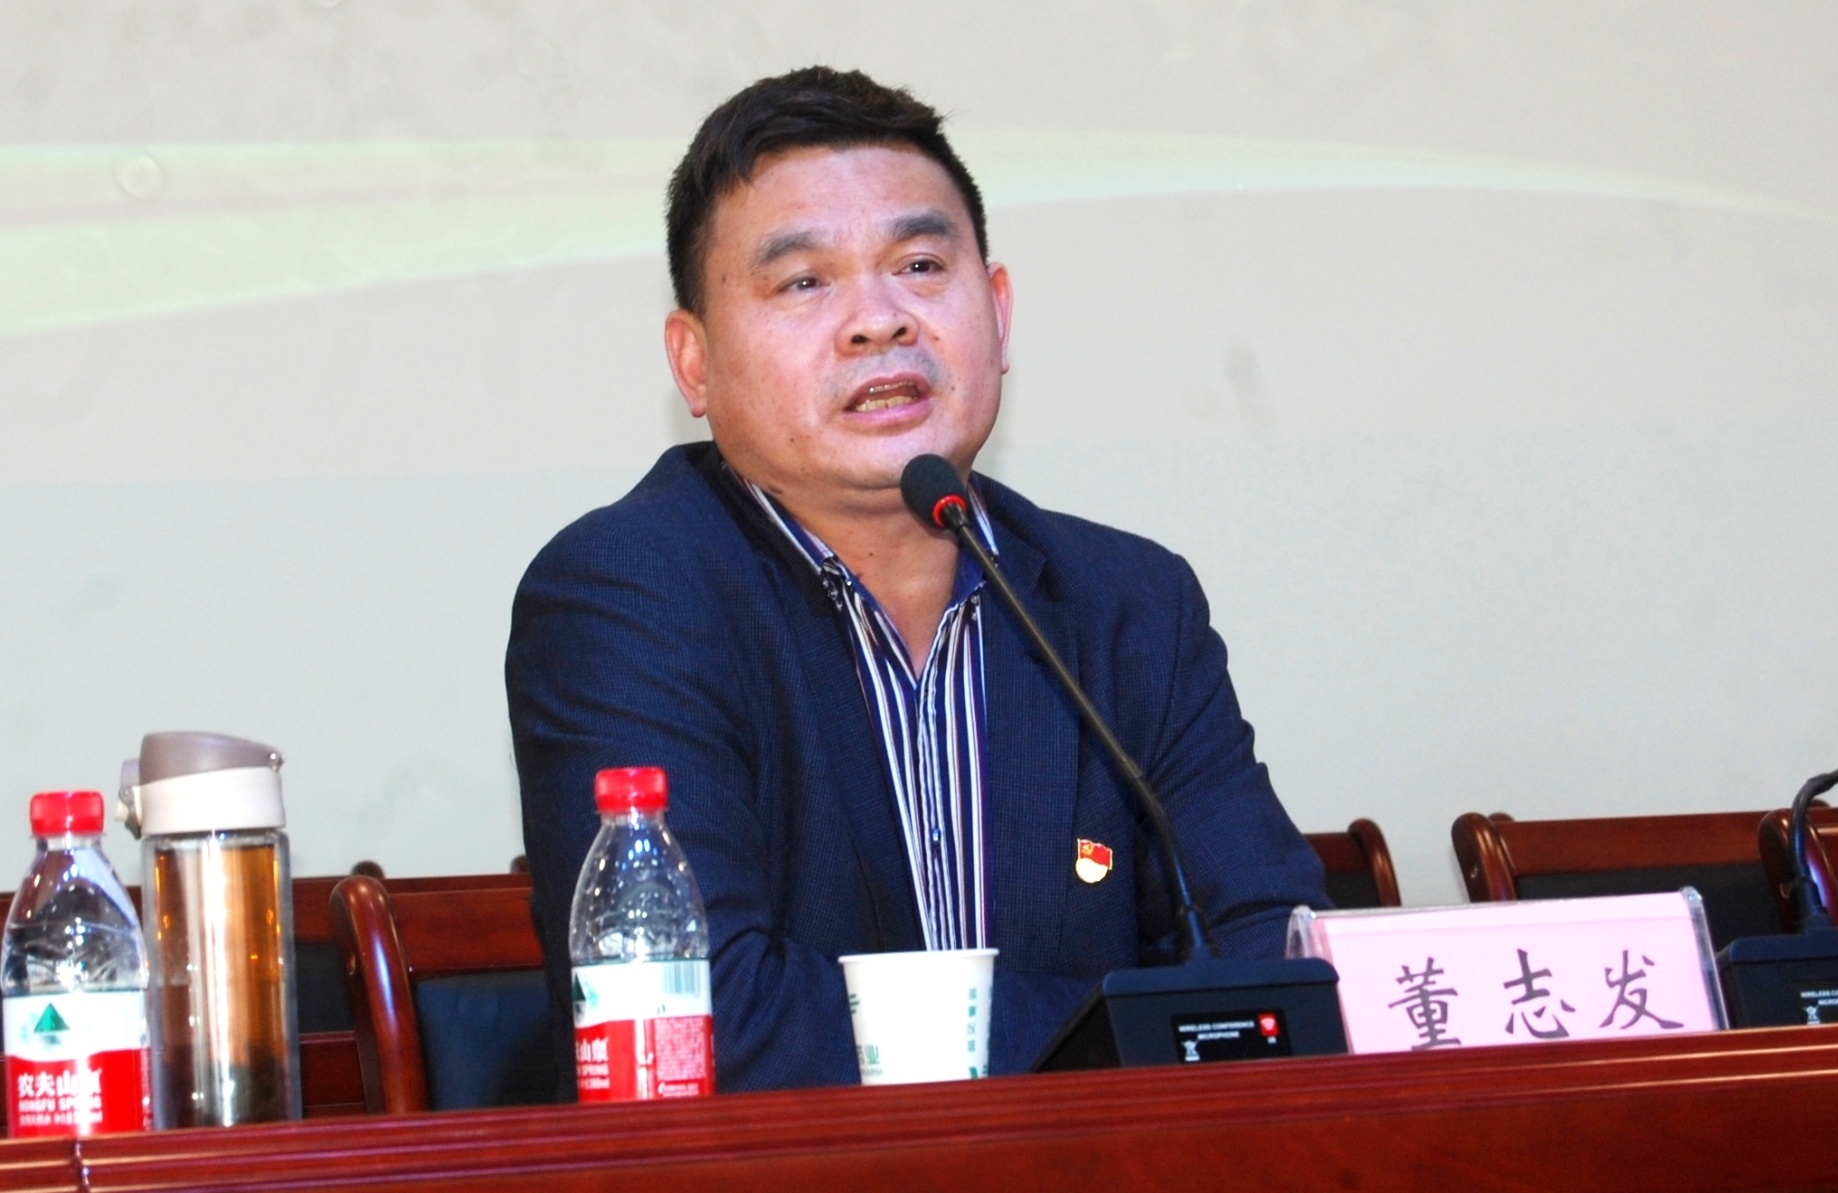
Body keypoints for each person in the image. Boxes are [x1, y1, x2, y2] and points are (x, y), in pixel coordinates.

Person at [506, 66, 1327, 1095]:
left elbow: (1276, 967)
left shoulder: (1129, 603)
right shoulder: (626, 597)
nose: (879, 321)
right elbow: (709, 1018)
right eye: (804, 282)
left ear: (999, 312)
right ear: (695, 363)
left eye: (922, 264)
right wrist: (1129, 1032)